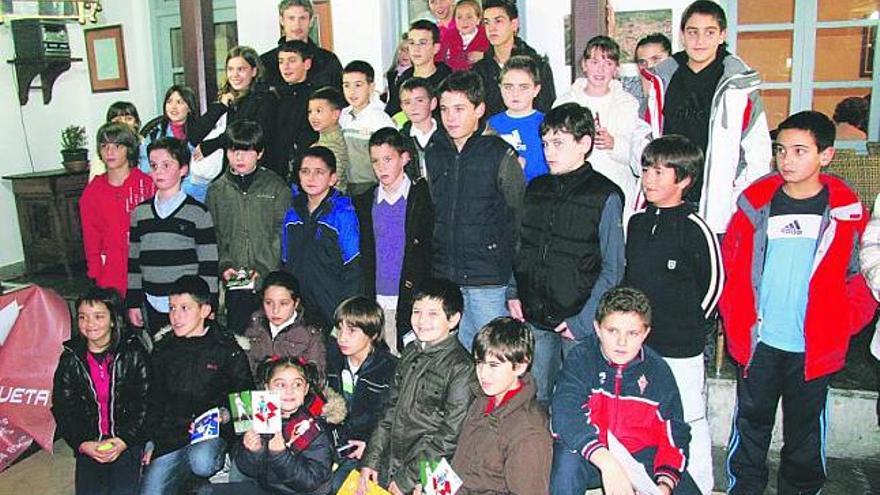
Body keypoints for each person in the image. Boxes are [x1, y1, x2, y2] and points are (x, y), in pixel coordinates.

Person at [721, 111, 877, 494]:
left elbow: (862, 276)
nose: (786, 160)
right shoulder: (754, 206)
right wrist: (737, 318)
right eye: (781, 150)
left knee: (804, 436)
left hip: (812, 347)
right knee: (750, 426)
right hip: (760, 343)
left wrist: (840, 323)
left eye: (799, 151)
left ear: (826, 156)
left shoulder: (847, 213)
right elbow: (731, 266)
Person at [507, 102, 625, 404]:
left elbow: (613, 268)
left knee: (576, 400)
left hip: (578, 318)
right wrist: (513, 292)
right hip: (534, 313)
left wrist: (583, 321)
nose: (549, 152)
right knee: (536, 397)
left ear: (584, 143)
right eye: (545, 143)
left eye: (558, 143)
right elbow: (521, 245)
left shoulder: (604, 194)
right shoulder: (536, 188)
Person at [624, 135, 722, 494]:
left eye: (660, 171)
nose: (649, 178)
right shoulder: (635, 223)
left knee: (687, 418)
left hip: (681, 346)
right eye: (647, 168)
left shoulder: (695, 227)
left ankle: (701, 485)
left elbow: (713, 285)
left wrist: (690, 327)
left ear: (684, 179)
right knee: (646, 415)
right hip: (639, 345)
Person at [550, 287, 699, 495]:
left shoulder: (658, 371)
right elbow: (565, 416)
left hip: (640, 456)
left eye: (632, 333)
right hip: (592, 453)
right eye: (612, 331)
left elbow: (675, 433)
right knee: (566, 464)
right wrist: (607, 463)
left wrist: (664, 485)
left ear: (646, 333)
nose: (622, 342)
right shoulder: (581, 359)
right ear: (597, 328)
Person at [644, 0, 772, 234]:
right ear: (682, 35)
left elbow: (757, 151)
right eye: (692, 32)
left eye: (709, 32)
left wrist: (735, 196)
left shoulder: (738, 86)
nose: (700, 41)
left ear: (722, 35)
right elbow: (644, 132)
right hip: (667, 199)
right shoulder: (663, 80)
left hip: (718, 205)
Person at [426, 70, 525, 351]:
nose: (451, 117)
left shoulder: (499, 154)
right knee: (452, 360)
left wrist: (514, 285)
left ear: (479, 109)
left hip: (488, 279)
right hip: (446, 275)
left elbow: (517, 221)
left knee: (493, 357)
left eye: (459, 109)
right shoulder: (435, 151)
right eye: (444, 109)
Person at [359, 278, 476, 495]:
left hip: (429, 471)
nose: (422, 321)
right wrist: (371, 460)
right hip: (393, 462)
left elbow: (450, 437)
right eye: (417, 311)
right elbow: (390, 411)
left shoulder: (462, 368)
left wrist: (407, 479)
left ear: (453, 320)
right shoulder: (411, 351)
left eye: (433, 314)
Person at [139, 275, 254, 494]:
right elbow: (154, 399)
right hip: (171, 437)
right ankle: (193, 484)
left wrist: (226, 415)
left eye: (185, 308)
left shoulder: (225, 347)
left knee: (202, 461)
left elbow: (245, 396)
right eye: (172, 308)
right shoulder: (164, 349)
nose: (176, 316)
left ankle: (212, 472)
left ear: (204, 310)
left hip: (211, 436)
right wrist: (150, 441)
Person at [52, 288, 150, 495]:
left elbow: (146, 403)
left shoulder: (133, 353)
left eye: (98, 316)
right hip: (89, 442)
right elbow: (63, 408)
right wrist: (81, 443)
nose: (90, 324)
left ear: (113, 320)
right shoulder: (71, 359)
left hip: (126, 440)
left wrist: (125, 441)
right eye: (83, 317)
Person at [205, 120, 291, 336]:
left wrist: (263, 268)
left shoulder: (275, 186)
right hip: (234, 280)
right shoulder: (216, 190)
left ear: (259, 153)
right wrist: (224, 265)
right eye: (233, 151)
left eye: (246, 151)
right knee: (238, 339)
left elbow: (282, 232)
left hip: (270, 280)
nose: (239, 157)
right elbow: (212, 235)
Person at [353, 128, 434, 354]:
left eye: (388, 159)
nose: (381, 167)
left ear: (405, 158)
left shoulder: (422, 199)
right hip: (377, 297)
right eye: (375, 161)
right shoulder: (365, 201)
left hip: (412, 299)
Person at [126, 137, 219, 335]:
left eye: (166, 165)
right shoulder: (140, 213)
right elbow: (134, 262)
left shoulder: (198, 213)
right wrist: (133, 302)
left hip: (187, 305)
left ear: (183, 169)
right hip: (152, 300)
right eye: (153, 165)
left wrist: (209, 304)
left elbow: (209, 263)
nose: (158, 171)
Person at [451, 317, 552, 495]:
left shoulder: (528, 433)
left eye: (493, 365)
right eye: (479, 363)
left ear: (520, 366)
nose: (483, 374)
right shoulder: (482, 400)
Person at [555, 36, 641, 213]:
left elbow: (635, 153)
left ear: (616, 69)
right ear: (584, 64)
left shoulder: (627, 103)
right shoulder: (564, 102)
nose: (600, 69)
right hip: (575, 188)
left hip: (616, 185)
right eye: (594, 62)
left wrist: (614, 144)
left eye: (608, 63)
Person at [230, 356, 339, 495]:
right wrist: (253, 452)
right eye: (280, 384)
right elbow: (247, 469)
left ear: (306, 389)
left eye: (297, 384)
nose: (289, 390)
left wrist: (280, 454)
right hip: (267, 487)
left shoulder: (315, 429)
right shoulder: (261, 416)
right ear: (267, 387)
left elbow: (311, 482)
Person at [281, 146, 362, 330]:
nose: (311, 178)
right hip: (299, 311)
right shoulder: (292, 213)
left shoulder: (343, 213)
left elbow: (353, 267)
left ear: (332, 178)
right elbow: (285, 262)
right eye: (305, 171)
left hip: (332, 308)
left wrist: (345, 315)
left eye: (319, 172)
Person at [325, 296, 398, 491]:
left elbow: (393, 420)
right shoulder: (332, 360)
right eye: (340, 328)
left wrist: (370, 447)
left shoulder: (390, 369)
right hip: (333, 445)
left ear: (372, 334)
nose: (342, 337)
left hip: (370, 450)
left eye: (352, 331)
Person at [80, 122, 155, 299]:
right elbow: (91, 236)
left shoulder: (147, 185)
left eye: (117, 146)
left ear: (129, 149)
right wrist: (95, 272)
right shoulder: (93, 191)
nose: (109, 152)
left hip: (146, 267)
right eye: (104, 146)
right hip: (111, 271)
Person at [193, 46, 276, 169]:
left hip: (257, 170)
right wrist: (220, 107)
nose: (235, 75)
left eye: (241, 69)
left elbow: (249, 134)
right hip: (228, 172)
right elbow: (195, 135)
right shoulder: (227, 98)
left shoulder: (265, 98)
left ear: (254, 71)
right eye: (230, 69)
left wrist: (214, 144)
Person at [473, 0, 555, 116]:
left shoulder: (537, 66)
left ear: (514, 24)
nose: (491, 28)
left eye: (498, 21)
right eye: (487, 23)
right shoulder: (479, 70)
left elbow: (547, 111)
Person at [240, 270, 326, 377]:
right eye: (268, 303)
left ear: (296, 303)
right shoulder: (253, 326)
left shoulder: (310, 334)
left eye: (283, 303)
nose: (275, 310)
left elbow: (317, 378)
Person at [139, 85, 213, 202]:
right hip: (162, 192)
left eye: (179, 102)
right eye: (169, 102)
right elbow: (145, 165)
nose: (173, 107)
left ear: (189, 107)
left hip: (194, 193)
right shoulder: (154, 133)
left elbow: (202, 172)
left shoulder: (201, 133)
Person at [263, 40, 319, 182]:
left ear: (307, 64)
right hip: (275, 173)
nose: (285, 67)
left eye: (292, 61)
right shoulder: (275, 96)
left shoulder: (317, 98)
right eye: (281, 61)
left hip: (304, 173)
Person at [488, 55, 549, 184]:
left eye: (523, 87)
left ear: (536, 90)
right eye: (509, 87)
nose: (515, 94)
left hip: (538, 195)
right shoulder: (490, 125)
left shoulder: (547, 123)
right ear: (500, 88)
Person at [340, 60, 397, 197]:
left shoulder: (380, 119)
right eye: (346, 86)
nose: (352, 91)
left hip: (372, 186)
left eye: (358, 85)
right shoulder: (343, 115)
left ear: (371, 87)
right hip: (346, 186)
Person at [260, 0, 343, 91]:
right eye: (291, 18)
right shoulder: (265, 63)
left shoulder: (328, 60)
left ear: (311, 21)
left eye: (302, 18)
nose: (297, 25)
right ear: (282, 21)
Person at [385, 20, 452, 118]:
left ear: (436, 48)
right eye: (412, 43)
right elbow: (391, 113)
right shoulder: (403, 80)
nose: (416, 49)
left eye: (422, 43)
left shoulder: (448, 81)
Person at [307, 86, 351, 191]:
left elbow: (329, 186)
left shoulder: (334, 146)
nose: (313, 117)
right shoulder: (321, 142)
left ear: (335, 114)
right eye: (310, 112)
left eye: (318, 111)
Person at [620, 33, 671, 118]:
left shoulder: (683, 92)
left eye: (656, 59)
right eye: (642, 62)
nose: (649, 67)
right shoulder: (626, 91)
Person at [89, 102, 144, 180]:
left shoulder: (145, 144)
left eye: (128, 119)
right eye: (117, 120)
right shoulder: (104, 151)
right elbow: (95, 182)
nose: (123, 123)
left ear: (136, 123)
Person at [398, 77, 439, 180]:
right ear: (402, 107)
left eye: (419, 100)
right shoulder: (400, 140)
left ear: (433, 103)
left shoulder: (448, 136)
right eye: (407, 102)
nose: (413, 107)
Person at [440, 0, 489, 72]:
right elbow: (439, 59)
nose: (464, 21)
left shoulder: (487, 35)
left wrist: (485, 56)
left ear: (478, 19)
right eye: (459, 17)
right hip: (451, 78)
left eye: (469, 17)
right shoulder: (447, 36)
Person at [383, 35, 412, 105]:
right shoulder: (392, 74)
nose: (405, 54)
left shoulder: (415, 74)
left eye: (409, 50)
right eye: (402, 50)